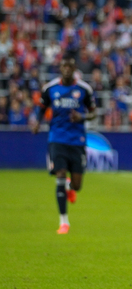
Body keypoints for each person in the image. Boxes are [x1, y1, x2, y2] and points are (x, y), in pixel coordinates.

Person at [31, 55, 96, 234]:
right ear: (60, 68)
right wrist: (37, 122)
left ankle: (69, 186)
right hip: (57, 138)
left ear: (74, 69)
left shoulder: (84, 89)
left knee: (77, 185)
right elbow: (42, 108)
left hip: (77, 141)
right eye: (64, 66)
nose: (67, 69)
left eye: (70, 66)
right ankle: (64, 222)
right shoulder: (50, 88)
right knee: (59, 174)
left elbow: (93, 113)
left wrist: (81, 117)